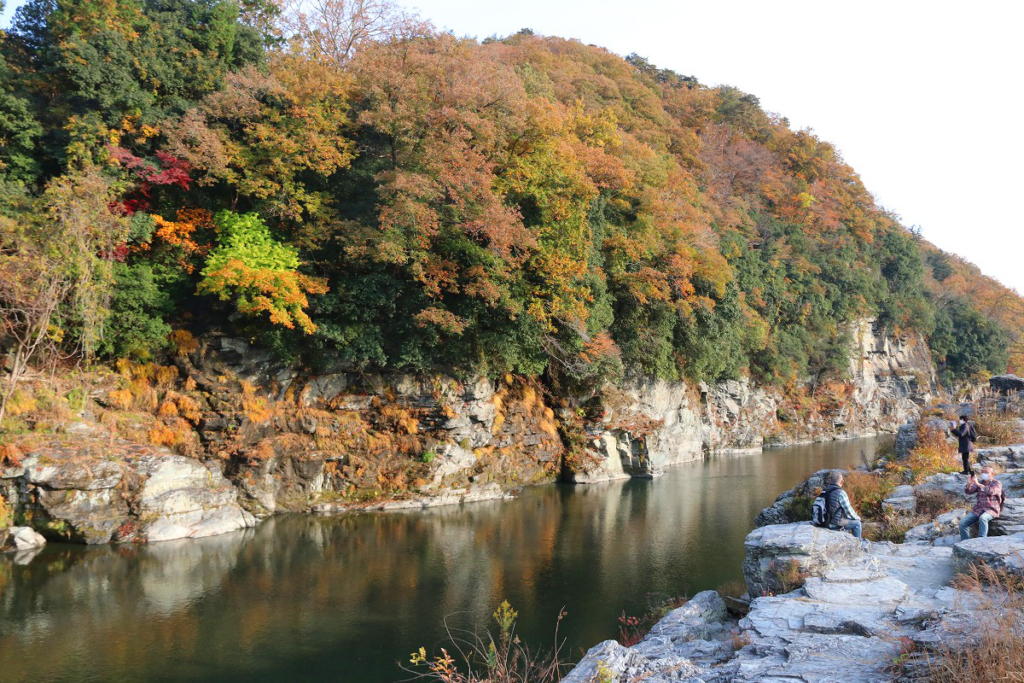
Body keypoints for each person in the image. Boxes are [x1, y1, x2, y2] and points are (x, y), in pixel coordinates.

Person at [960, 466, 1003, 540]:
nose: (984, 474)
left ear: (992, 474)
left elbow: (991, 491)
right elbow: (968, 491)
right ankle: (965, 542)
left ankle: (981, 540)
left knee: (983, 518)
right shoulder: (980, 482)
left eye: (986, 472)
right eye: (983, 472)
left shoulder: (997, 483)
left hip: (991, 509)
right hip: (979, 509)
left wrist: (977, 484)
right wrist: (969, 483)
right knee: (962, 523)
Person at [821, 471, 863, 540]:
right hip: (833, 524)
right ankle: (859, 545)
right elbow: (848, 510)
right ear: (842, 482)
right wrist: (857, 518)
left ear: (830, 481)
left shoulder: (823, 492)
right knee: (857, 524)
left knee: (844, 518)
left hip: (823, 522)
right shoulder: (841, 493)